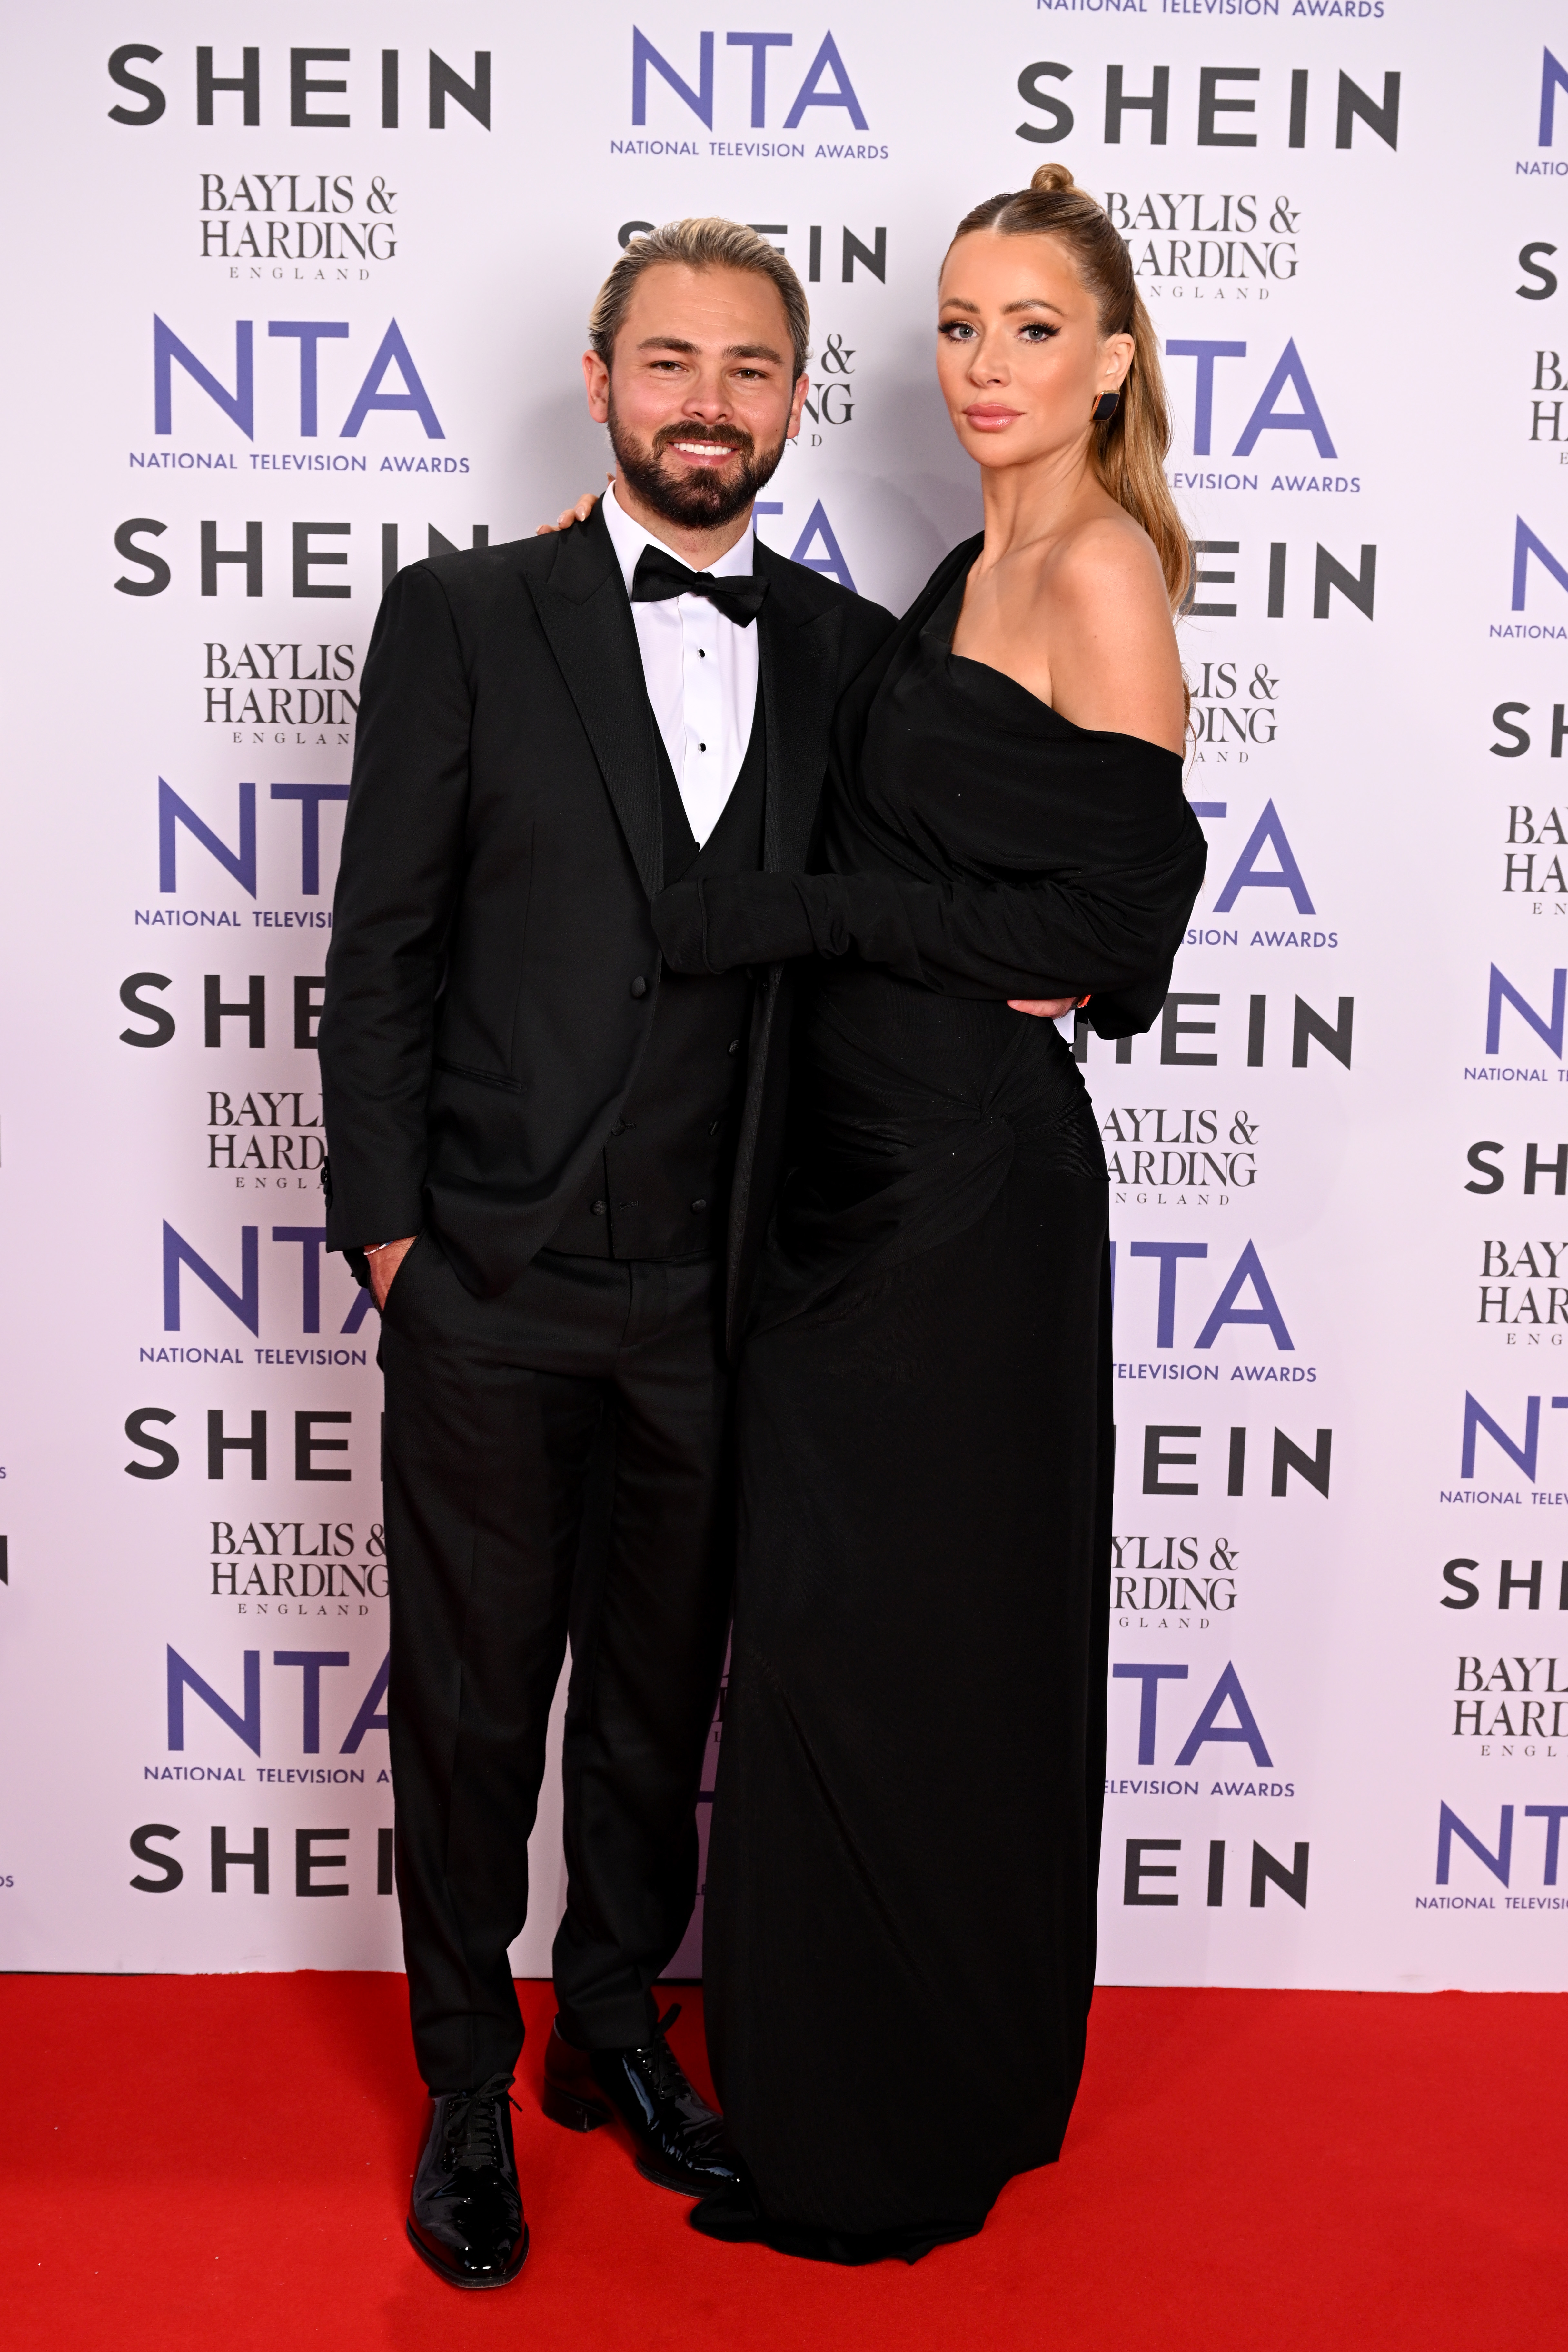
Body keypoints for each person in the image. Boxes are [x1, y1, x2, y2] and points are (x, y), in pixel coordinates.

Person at [318, 218, 894, 2289]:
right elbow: (377, 945)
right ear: (601, 374)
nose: (709, 402)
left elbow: (931, 906)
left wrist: (1069, 970)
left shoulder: (847, 657)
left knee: (659, 1704)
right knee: (477, 1711)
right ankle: (469, 2086)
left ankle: (614, 2034)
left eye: (750, 367)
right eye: (672, 362)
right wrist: (392, 1235)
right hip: (486, 1276)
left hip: (725, 1295)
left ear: (797, 398)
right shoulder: (464, 618)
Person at [647, 165, 1208, 2261]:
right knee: (813, 1637)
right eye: (961, 326)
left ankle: (901, 2121)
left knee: (925, 1655)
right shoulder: (972, 563)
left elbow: (1101, 918)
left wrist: (798, 910)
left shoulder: (1105, 581)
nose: (985, 365)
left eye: (1034, 328)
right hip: (844, 1167)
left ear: (1115, 360)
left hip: (967, 1199)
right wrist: (618, 561)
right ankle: (829, 2065)